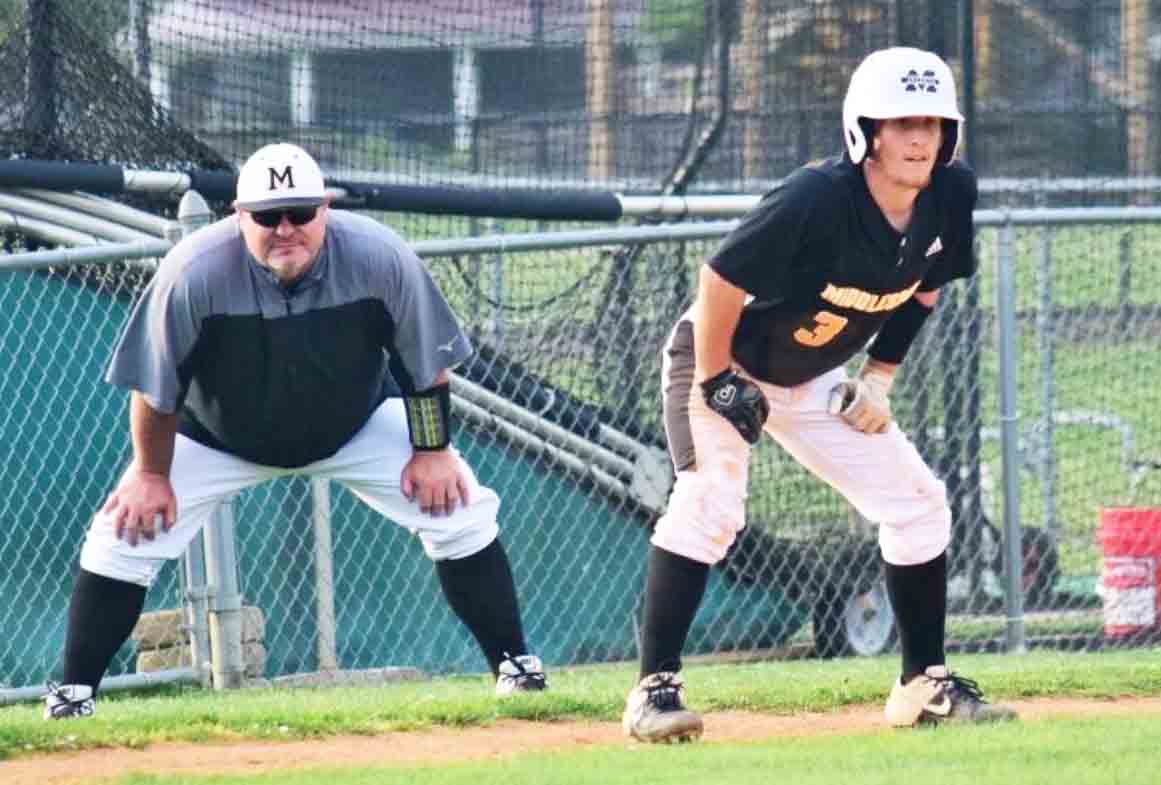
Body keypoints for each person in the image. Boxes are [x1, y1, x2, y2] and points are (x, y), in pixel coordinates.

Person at [44, 142, 547, 719]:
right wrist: (153, 474)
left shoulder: (381, 257)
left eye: (301, 213)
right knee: (121, 535)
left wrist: (432, 451)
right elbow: (155, 390)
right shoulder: (194, 272)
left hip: (354, 425)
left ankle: (516, 666)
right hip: (217, 436)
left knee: (461, 508)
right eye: (267, 216)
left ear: (325, 209)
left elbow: (424, 367)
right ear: (239, 217)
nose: (285, 228)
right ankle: (72, 695)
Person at [621, 47, 1016, 743]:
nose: (918, 138)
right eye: (899, 123)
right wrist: (717, 379)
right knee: (710, 502)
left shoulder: (950, 195)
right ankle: (653, 692)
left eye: (930, 122)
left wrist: (879, 377)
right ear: (864, 131)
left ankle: (921, 686)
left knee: (918, 503)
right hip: (723, 355)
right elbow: (719, 281)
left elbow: (923, 291)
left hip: (810, 377)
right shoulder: (815, 197)